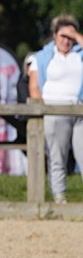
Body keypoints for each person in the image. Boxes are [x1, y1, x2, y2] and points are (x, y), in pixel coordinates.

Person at [28, 14, 83, 204]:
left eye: (70, 37)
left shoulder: (79, 54)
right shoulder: (42, 57)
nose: (66, 41)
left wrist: (77, 36)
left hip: (78, 109)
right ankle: (59, 196)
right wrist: (43, 108)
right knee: (57, 156)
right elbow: (34, 86)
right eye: (63, 36)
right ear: (54, 36)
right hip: (54, 110)